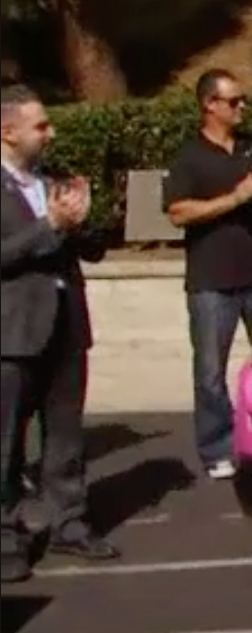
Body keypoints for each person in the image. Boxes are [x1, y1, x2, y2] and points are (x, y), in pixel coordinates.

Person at [2, 84, 119, 583]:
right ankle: (6, 534)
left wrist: (84, 221)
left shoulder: (53, 179)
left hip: (67, 325)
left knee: (66, 435)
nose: (51, 134)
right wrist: (47, 225)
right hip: (13, 330)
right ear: (8, 131)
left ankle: (69, 521)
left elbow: (94, 249)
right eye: (41, 126)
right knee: (5, 441)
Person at [162, 69, 252, 480]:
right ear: (210, 104)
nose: (242, 107)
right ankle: (217, 447)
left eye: (243, 100)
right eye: (234, 101)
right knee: (210, 372)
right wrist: (234, 198)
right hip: (211, 280)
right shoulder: (189, 156)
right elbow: (178, 212)